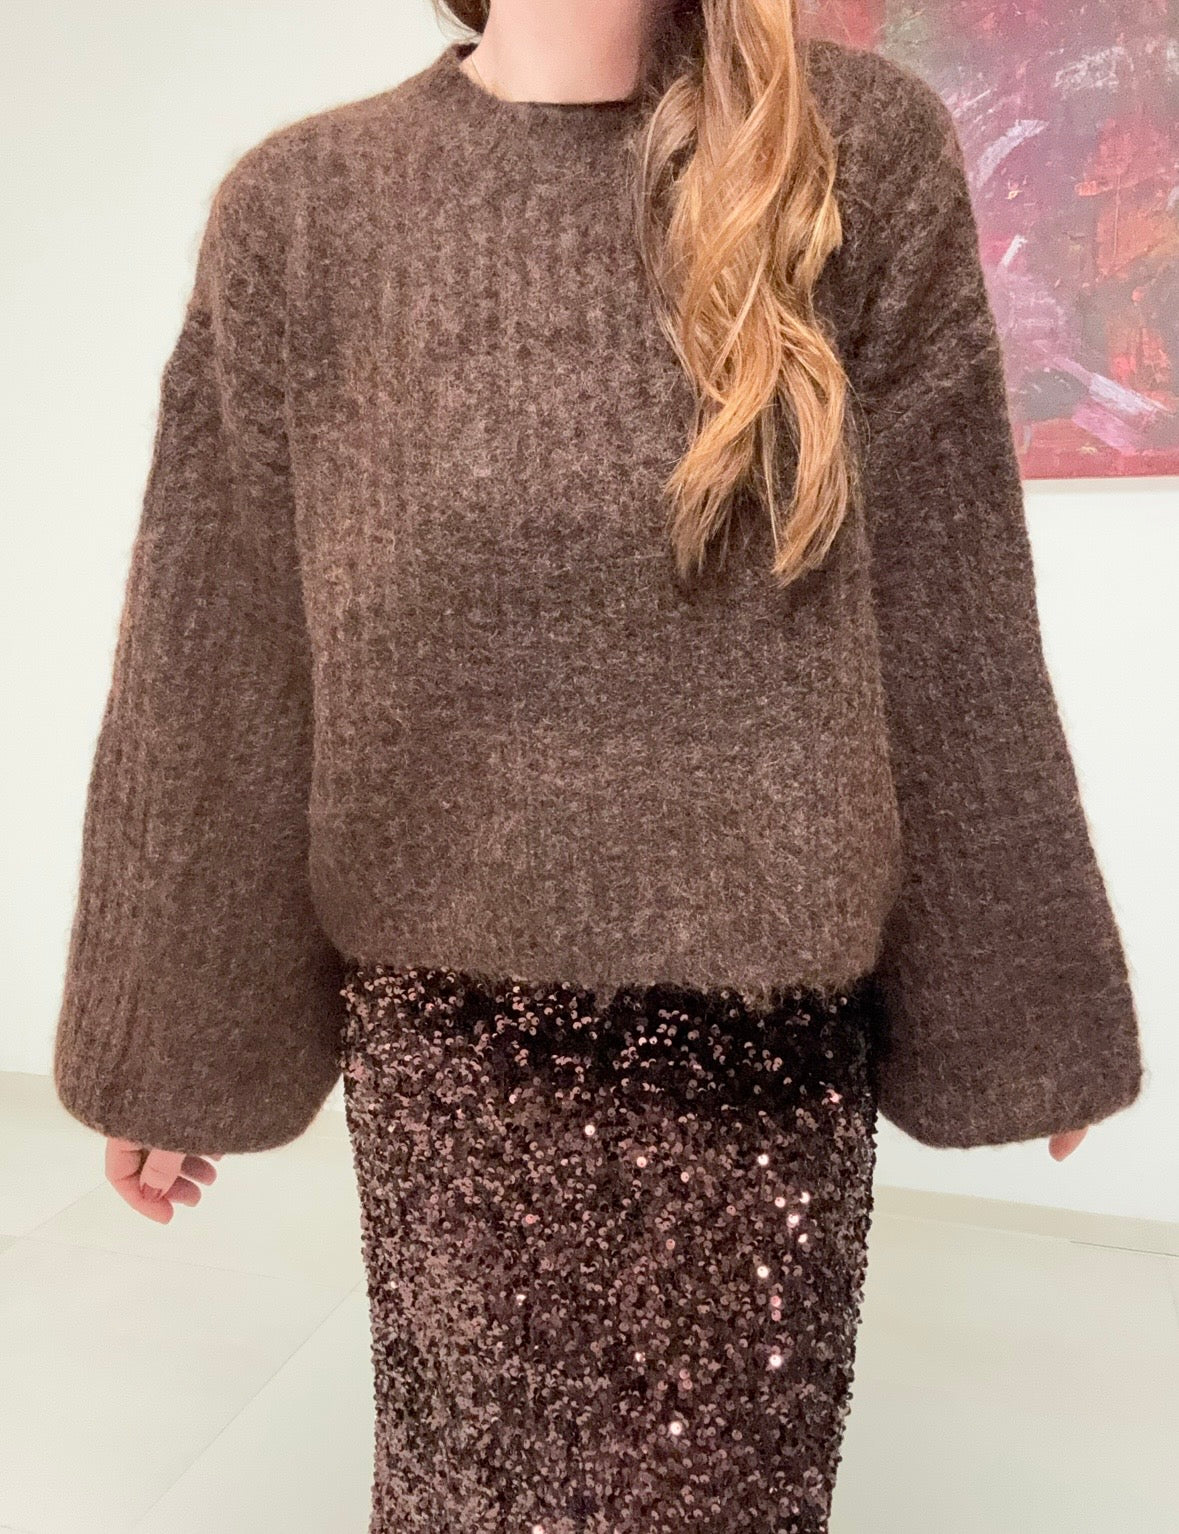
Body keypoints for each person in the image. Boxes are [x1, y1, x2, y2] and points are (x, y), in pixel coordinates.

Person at [52, 1, 1144, 1528]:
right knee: (466, 1492)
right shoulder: (303, 211)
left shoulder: (849, 152)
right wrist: (172, 1034)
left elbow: (947, 606)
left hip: (760, 1074)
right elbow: (219, 650)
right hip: (452, 1065)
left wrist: (1019, 1001)